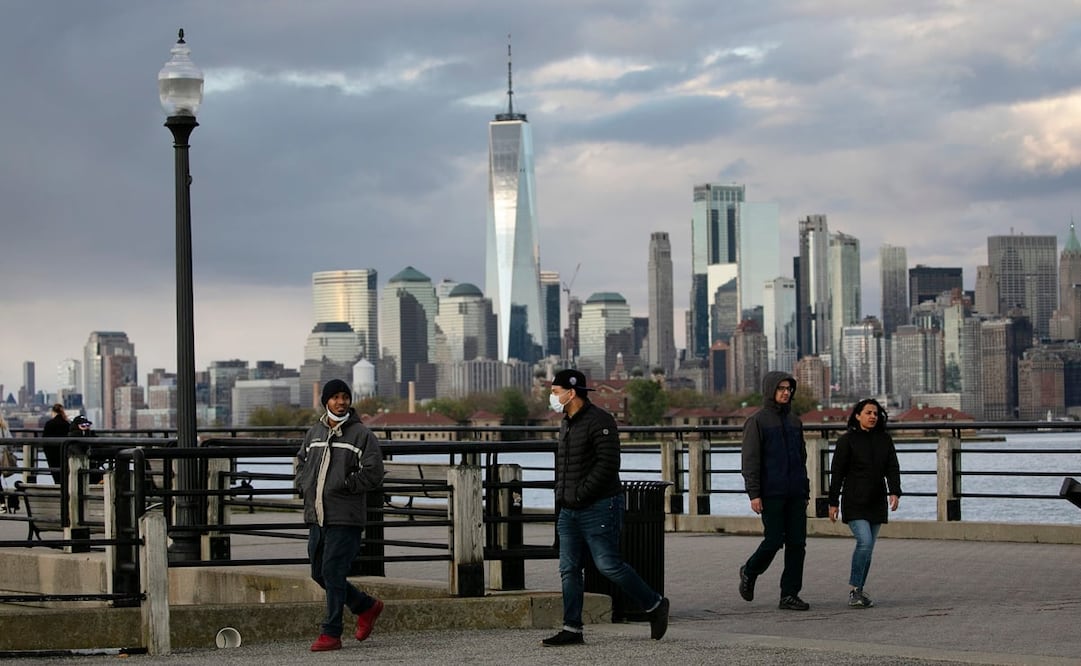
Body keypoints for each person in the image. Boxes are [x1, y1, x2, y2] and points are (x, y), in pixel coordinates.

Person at [542, 369, 670, 647]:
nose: (552, 397)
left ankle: (655, 604)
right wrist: (563, 497)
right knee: (569, 569)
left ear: (571, 392)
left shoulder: (601, 421)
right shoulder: (566, 423)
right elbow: (565, 466)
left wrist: (581, 494)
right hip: (568, 509)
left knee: (608, 565)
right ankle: (572, 628)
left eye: (554, 391)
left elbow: (608, 464)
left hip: (599, 506)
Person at [295, 379, 386, 652]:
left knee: (333, 571)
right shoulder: (314, 434)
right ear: (326, 401)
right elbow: (300, 463)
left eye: (345, 396)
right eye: (335, 397)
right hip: (318, 516)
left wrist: (346, 485)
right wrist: (303, 483)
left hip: (345, 516)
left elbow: (373, 472)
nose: (341, 401)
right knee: (319, 573)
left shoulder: (361, 435)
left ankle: (331, 633)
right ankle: (365, 606)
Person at [738, 371, 811, 611]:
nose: (786, 392)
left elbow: (802, 458)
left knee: (797, 544)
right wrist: (754, 493)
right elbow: (750, 461)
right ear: (770, 390)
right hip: (771, 493)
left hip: (796, 493)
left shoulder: (795, 422)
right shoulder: (757, 421)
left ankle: (789, 594)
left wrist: (805, 489)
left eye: (789, 389)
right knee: (773, 540)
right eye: (781, 388)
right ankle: (749, 570)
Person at [827, 398, 902, 608]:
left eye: (876, 414)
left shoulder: (885, 440)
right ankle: (854, 590)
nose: (872, 417)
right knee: (865, 542)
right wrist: (833, 502)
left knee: (868, 548)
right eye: (868, 413)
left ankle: (859, 591)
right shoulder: (846, 441)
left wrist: (895, 491)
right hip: (854, 500)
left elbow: (892, 467)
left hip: (877, 500)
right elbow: (837, 473)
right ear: (858, 415)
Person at [41, 403, 70, 473]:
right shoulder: (67, 424)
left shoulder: (49, 424)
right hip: (63, 453)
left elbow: (44, 440)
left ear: (53, 412)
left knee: (55, 472)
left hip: (51, 453)